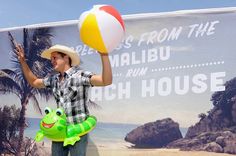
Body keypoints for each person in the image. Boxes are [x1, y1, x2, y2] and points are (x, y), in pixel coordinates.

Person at [15, 44, 112, 156]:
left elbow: (106, 80)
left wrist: (104, 55)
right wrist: (22, 61)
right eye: (51, 59)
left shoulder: (80, 76)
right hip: (58, 131)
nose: (52, 61)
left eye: (55, 58)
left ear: (66, 57)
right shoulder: (53, 80)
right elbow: (34, 82)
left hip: (77, 133)